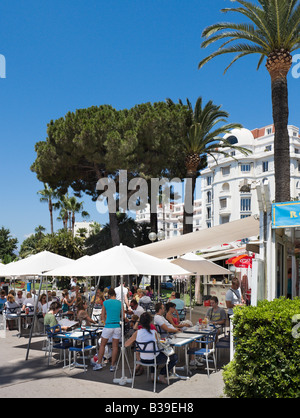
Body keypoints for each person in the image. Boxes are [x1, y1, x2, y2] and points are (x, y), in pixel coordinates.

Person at [125, 311, 178, 384]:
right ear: (150, 322)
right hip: (154, 359)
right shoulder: (154, 333)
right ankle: (161, 375)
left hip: (142, 359)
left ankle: (153, 375)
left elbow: (126, 344)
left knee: (153, 353)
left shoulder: (137, 333)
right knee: (174, 357)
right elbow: (159, 345)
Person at [93, 288, 122, 372]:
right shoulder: (119, 303)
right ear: (115, 295)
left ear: (109, 295)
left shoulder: (105, 302)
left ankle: (99, 363)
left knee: (102, 344)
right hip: (117, 325)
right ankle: (113, 365)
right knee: (115, 346)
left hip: (108, 325)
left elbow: (102, 316)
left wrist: (105, 322)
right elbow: (123, 316)